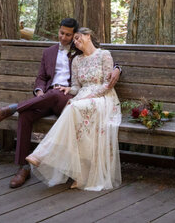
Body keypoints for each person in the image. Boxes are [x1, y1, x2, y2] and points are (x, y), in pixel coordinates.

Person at [0, 18, 121, 188]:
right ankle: (23, 167)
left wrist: (118, 68)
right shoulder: (48, 52)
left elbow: (99, 60)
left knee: (57, 93)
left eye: (68, 35)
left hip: (66, 98)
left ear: (75, 36)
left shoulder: (78, 51)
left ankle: (13, 108)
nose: (64, 37)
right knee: (26, 114)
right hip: (46, 97)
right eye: (61, 33)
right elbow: (41, 78)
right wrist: (39, 92)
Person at [25, 28, 121, 191]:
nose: (76, 42)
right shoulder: (77, 60)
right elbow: (77, 86)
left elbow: (107, 85)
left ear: (88, 36)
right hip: (82, 97)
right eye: (74, 41)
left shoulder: (104, 55)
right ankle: (80, 173)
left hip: (103, 98)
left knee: (74, 107)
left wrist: (87, 97)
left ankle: (43, 152)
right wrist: (68, 90)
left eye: (78, 38)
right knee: (72, 108)